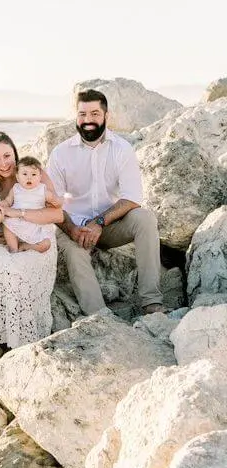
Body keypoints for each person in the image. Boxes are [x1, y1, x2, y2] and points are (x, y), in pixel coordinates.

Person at [46, 88, 164, 316]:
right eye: (82, 114)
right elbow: (53, 204)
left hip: (110, 224)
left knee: (145, 219)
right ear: (76, 116)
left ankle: (151, 302)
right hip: (73, 226)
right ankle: (100, 316)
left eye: (94, 114)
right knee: (75, 252)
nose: (88, 120)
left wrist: (99, 222)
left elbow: (132, 198)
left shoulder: (122, 149)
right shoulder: (60, 154)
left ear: (106, 116)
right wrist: (72, 228)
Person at [0, 132, 63, 360]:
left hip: (38, 239)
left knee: (19, 269)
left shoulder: (32, 172)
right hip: (7, 241)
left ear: (15, 153)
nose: (4, 163)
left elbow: (58, 214)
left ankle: (22, 340)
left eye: (7, 155)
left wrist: (19, 214)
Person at [2, 156, 62, 253]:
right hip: (18, 221)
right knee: (7, 226)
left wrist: (55, 200)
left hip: (35, 224)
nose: (29, 177)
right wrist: (2, 204)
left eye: (34, 174)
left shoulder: (42, 189)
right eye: (24, 174)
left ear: (40, 177)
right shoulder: (16, 188)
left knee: (46, 244)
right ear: (17, 176)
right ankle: (13, 249)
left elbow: (57, 203)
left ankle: (27, 246)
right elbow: (8, 201)